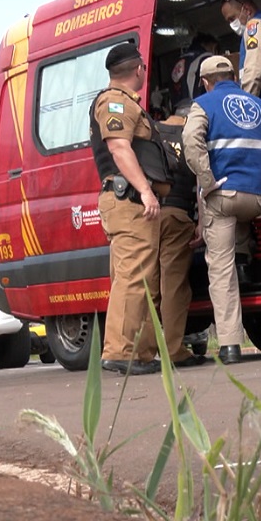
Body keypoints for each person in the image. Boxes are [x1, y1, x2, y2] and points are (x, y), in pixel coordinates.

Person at [182, 55, 261, 365]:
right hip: (259, 197)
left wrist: (207, 181)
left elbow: (191, 143)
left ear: (205, 82)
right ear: (233, 75)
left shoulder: (203, 104)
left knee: (220, 269)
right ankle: (244, 261)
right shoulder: (258, 104)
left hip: (225, 194)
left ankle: (230, 344)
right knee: (239, 226)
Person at [88, 42, 166, 375]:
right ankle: (120, 351)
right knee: (133, 276)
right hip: (129, 200)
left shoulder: (125, 103)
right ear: (138, 70)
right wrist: (146, 190)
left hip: (130, 202)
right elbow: (120, 148)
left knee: (141, 277)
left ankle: (140, 352)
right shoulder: (115, 102)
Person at [153, 100, 205, 368]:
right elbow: (200, 182)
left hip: (148, 215)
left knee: (148, 285)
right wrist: (201, 222)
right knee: (173, 286)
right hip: (176, 215)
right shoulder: (191, 136)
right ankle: (173, 350)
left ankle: (142, 350)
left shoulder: (153, 131)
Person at [221, 0, 261, 97]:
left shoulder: (254, 26)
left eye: (232, 18)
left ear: (247, 10)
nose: (231, 24)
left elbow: (254, 71)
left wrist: (246, 103)